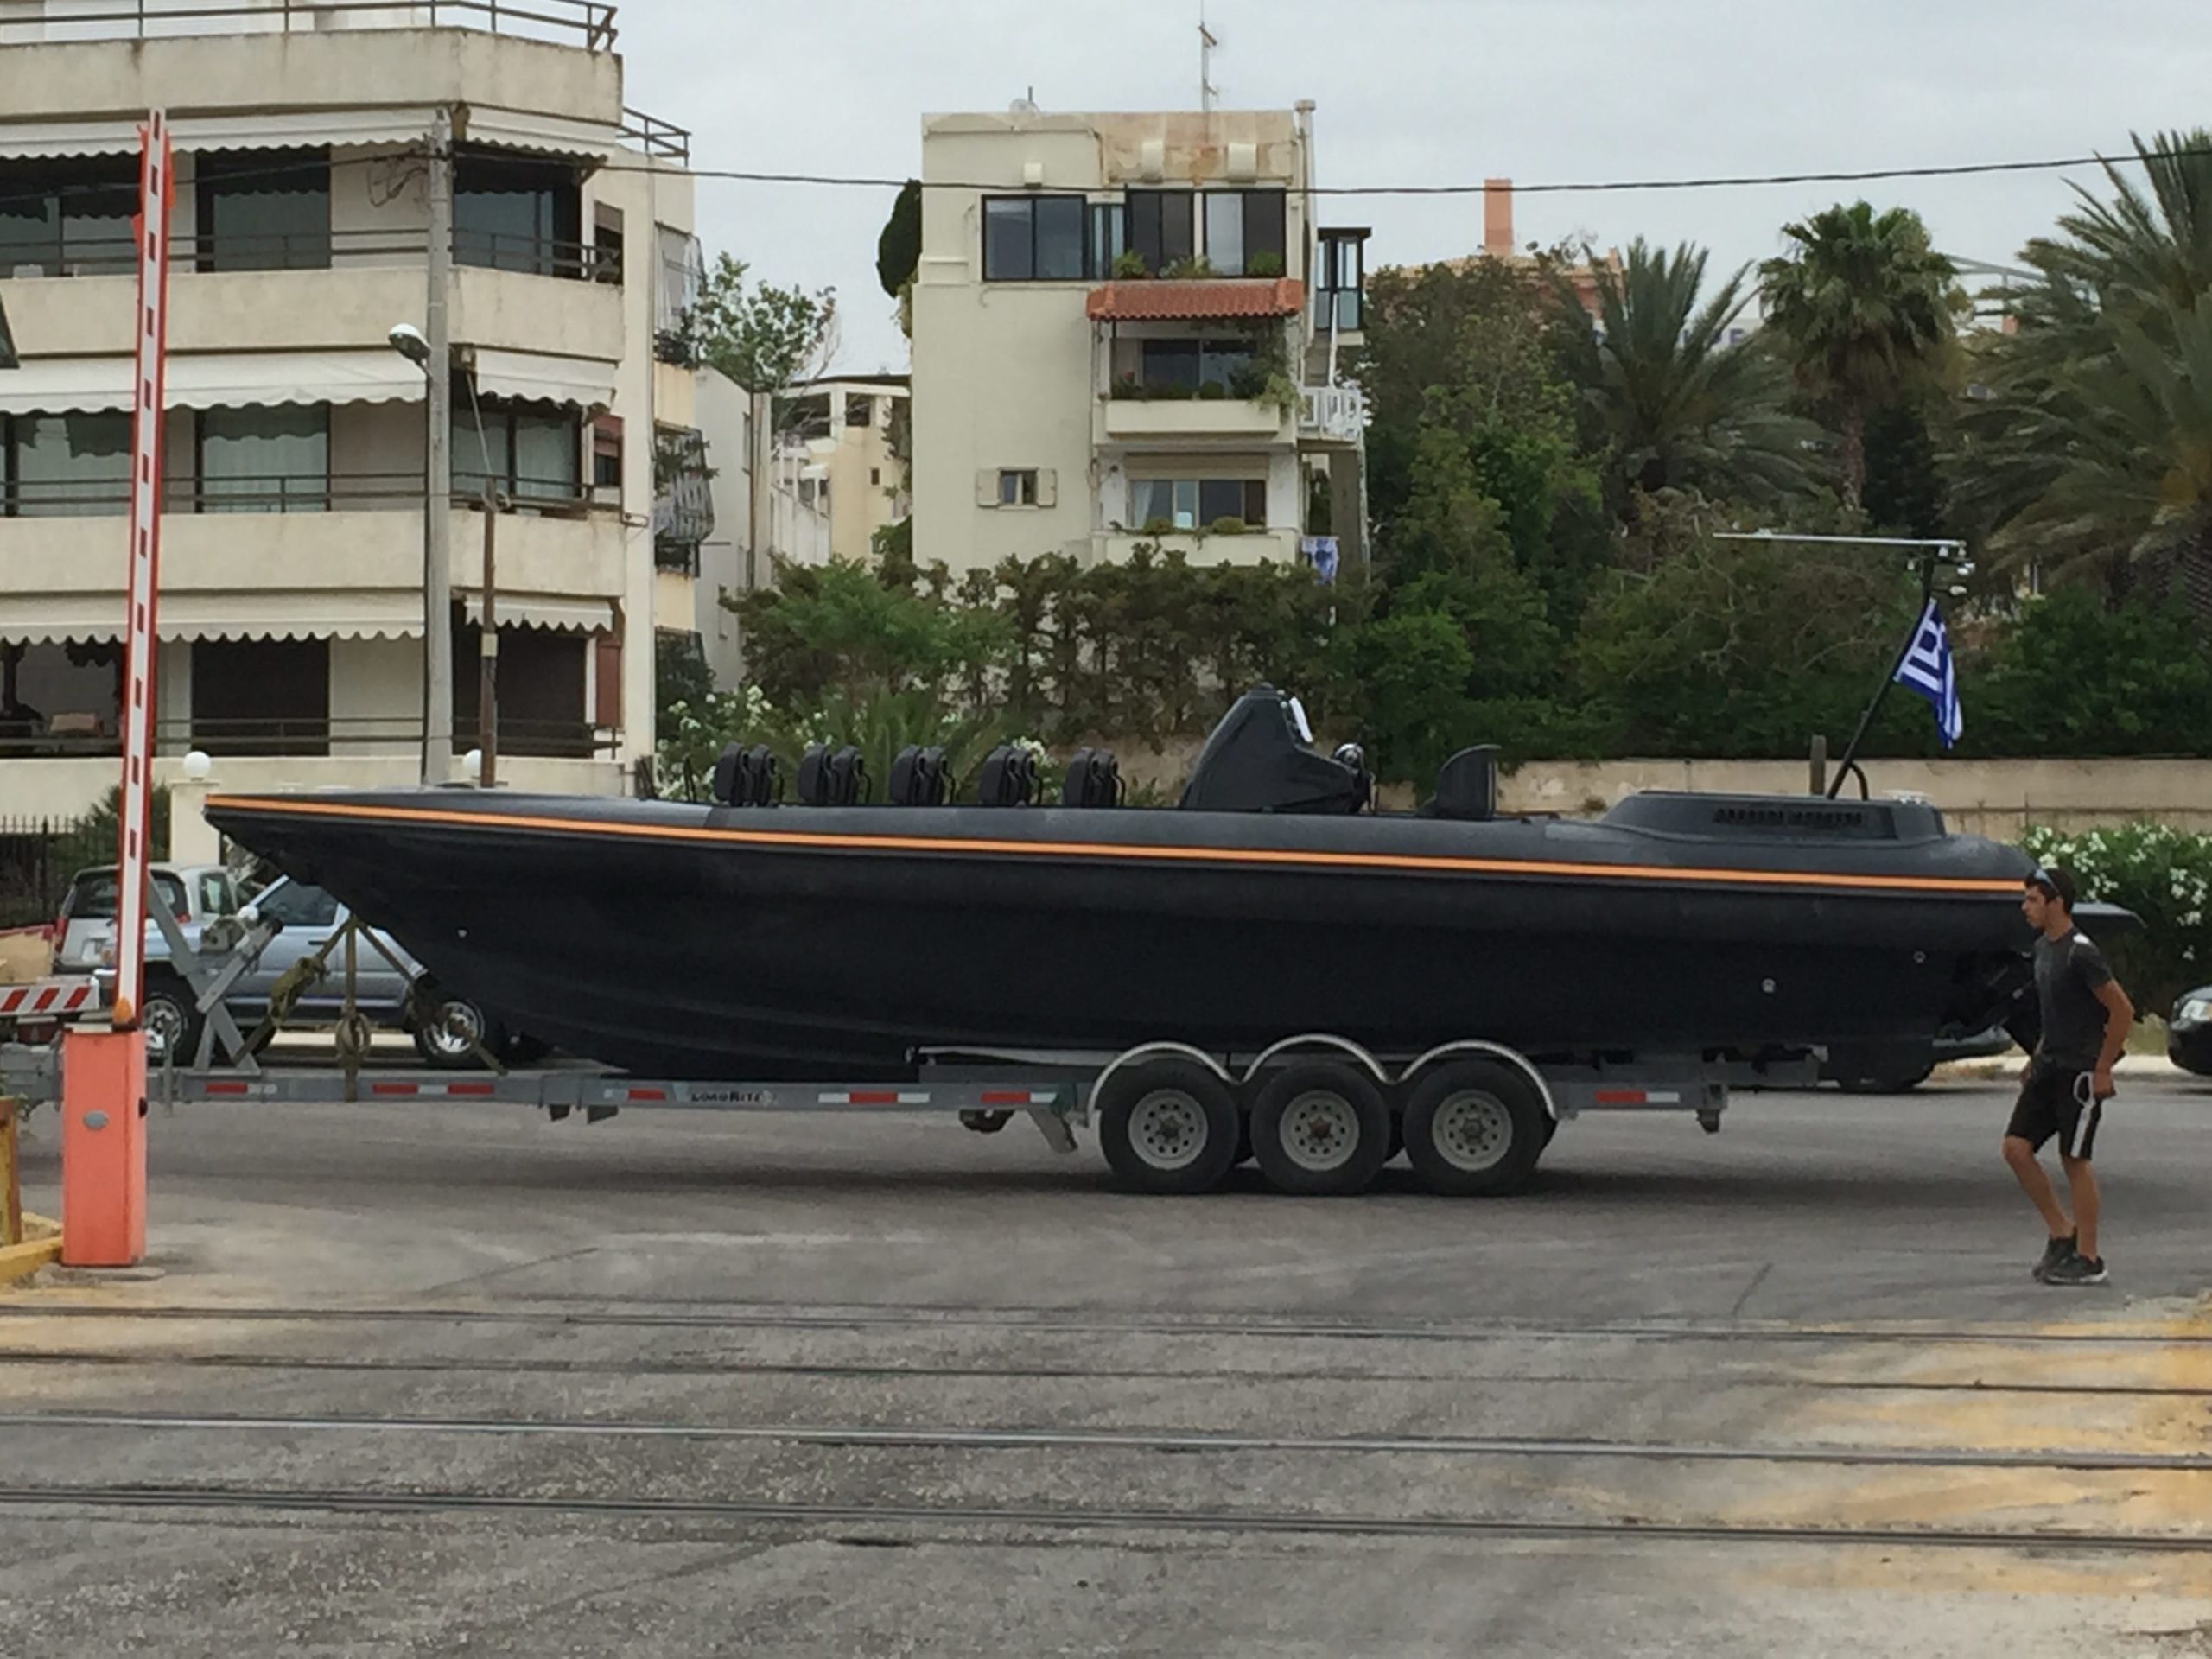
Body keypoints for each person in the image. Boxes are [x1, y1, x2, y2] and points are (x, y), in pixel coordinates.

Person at [2003, 866, 2133, 1286]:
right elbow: (2056, 1012)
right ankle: (2061, 1232)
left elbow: (2122, 1011)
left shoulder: (2082, 953)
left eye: (2032, 900)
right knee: (2016, 1148)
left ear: (2056, 902)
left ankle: (2089, 1258)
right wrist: (2036, 1057)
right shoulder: (2043, 949)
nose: (2025, 907)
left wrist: (2102, 1069)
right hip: (2049, 1066)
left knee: (2074, 1159)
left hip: (2079, 1073)